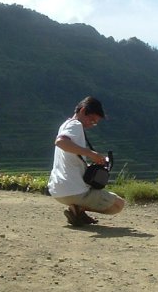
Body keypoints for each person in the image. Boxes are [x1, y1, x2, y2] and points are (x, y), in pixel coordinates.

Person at [48, 96, 125, 226]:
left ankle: (78, 212)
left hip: (57, 190)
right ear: (83, 110)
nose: (91, 124)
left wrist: (88, 162)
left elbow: (69, 153)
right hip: (74, 191)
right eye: (92, 119)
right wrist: (90, 153)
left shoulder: (65, 125)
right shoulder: (76, 124)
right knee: (118, 205)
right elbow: (60, 142)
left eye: (95, 123)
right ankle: (78, 209)